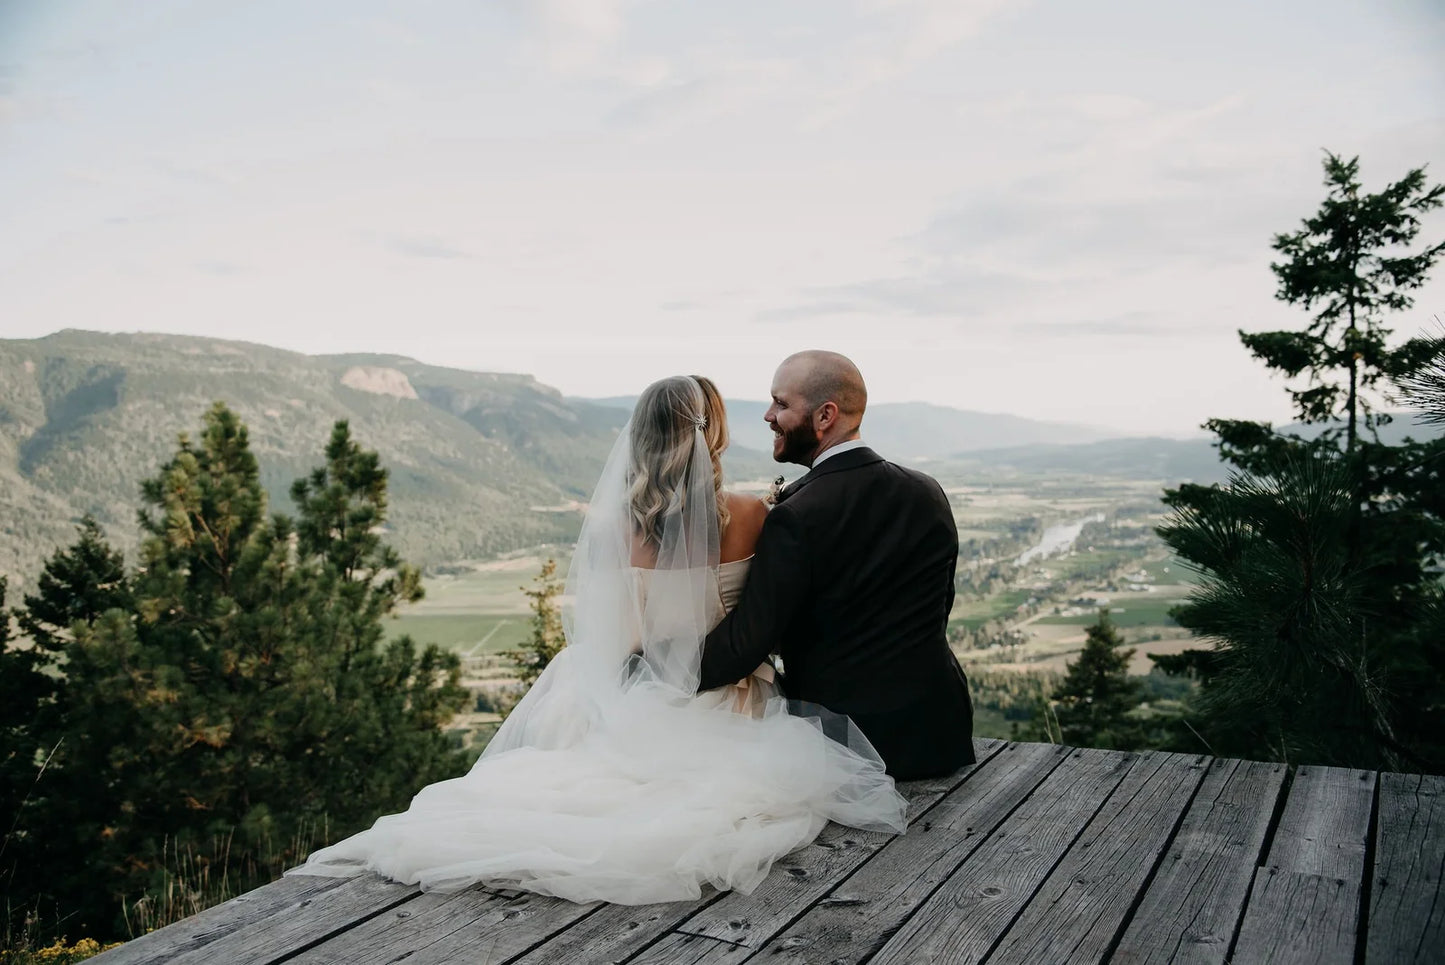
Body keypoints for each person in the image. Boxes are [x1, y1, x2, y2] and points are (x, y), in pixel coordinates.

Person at [289, 375, 906, 906]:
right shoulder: (750, 515)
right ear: (709, 435)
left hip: (641, 689)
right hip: (728, 693)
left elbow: (620, 640)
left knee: (566, 775)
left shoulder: (614, 528)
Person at [699, 351, 975, 780]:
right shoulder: (927, 491)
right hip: (939, 732)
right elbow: (940, 606)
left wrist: (661, 670)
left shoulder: (797, 514)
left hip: (846, 747)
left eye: (781, 404)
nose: (769, 416)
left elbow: (749, 640)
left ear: (826, 415)